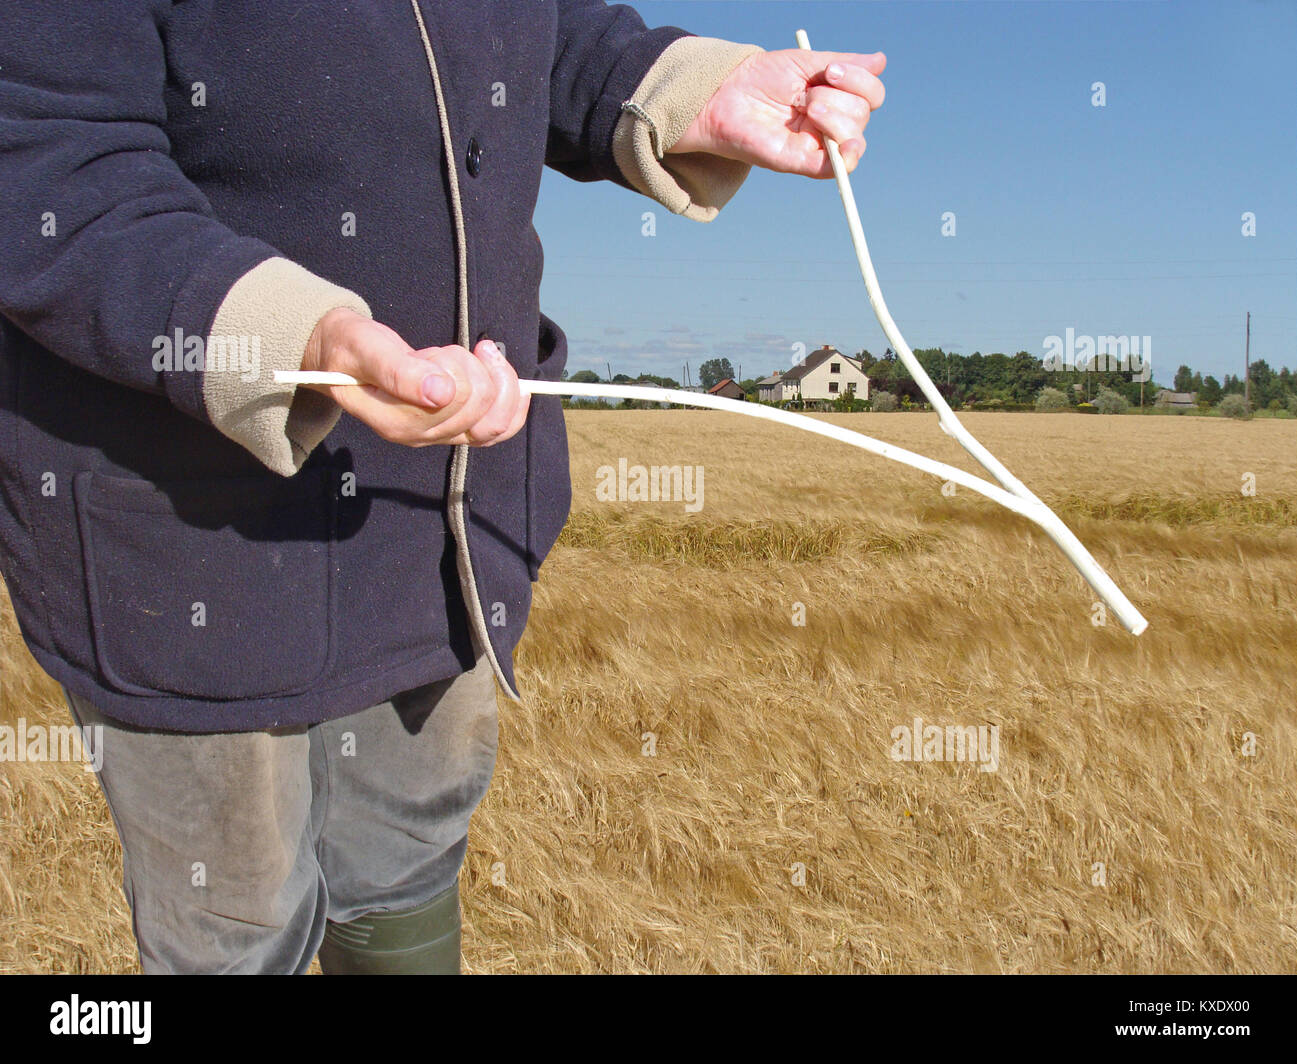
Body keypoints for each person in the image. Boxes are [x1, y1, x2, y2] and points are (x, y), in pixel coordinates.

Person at [0, 1, 884, 974]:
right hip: (188, 548)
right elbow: (52, 173)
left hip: (446, 521)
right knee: (234, 924)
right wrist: (304, 341)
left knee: (409, 849)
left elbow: (548, 37)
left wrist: (687, 88)